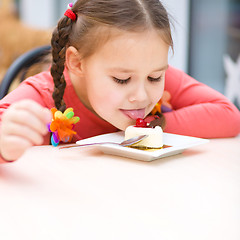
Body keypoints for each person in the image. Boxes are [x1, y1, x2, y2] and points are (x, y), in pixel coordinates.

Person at [0, 0, 239, 163]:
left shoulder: (149, 77)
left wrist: (151, 128)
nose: (142, 96)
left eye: (155, 77)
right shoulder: (42, 95)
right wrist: (4, 145)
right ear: (77, 63)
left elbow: (228, 114)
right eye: (122, 79)